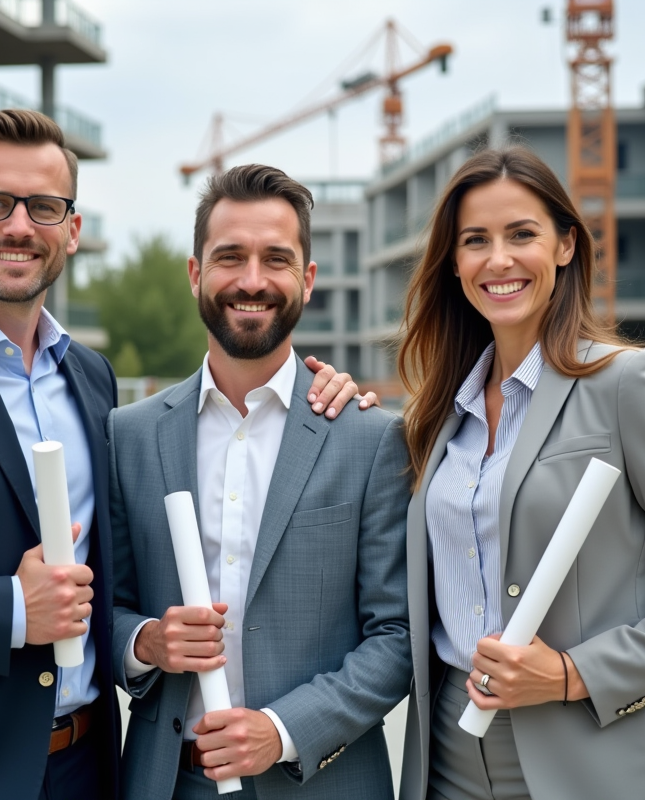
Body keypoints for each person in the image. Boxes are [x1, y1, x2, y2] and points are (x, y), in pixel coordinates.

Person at [0, 110, 366, 800]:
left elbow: (117, 580)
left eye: (45, 206)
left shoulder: (91, 379)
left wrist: (313, 395)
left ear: (73, 230)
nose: (20, 226)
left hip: (85, 769)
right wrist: (10, 612)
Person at [396, 146, 645, 800]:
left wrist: (574, 672)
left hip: (595, 760)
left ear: (566, 246)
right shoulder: (436, 413)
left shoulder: (626, 385)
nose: (499, 259)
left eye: (522, 234)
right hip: (447, 760)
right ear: (453, 263)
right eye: (475, 241)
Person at [110, 164, 413, 800]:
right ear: (196, 274)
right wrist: (147, 642)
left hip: (322, 782)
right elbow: (101, 609)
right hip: (167, 782)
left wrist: (282, 730)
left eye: (276, 258)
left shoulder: (370, 437)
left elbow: (398, 637)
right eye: (229, 257)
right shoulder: (129, 435)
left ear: (306, 279)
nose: (252, 280)